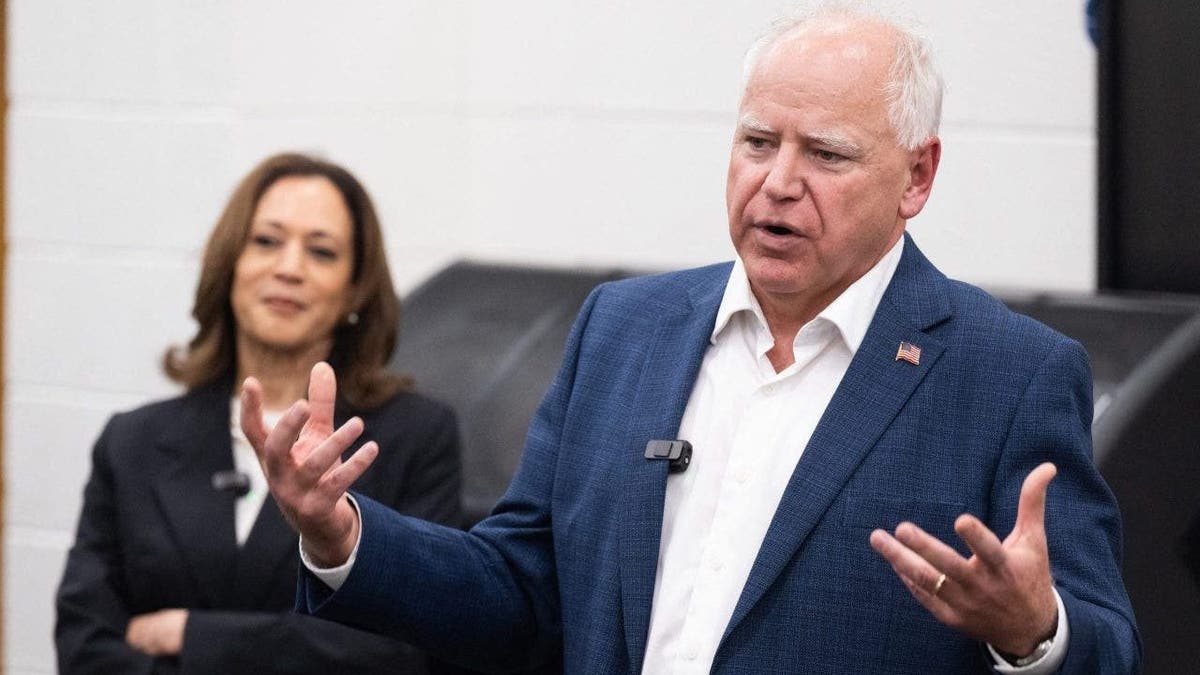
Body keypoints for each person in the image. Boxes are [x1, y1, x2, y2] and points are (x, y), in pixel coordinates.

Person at [245, 5, 1140, 674]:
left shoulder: (1010, 374)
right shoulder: (623, 331)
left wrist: (1035, 631)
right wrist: (341, 533)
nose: (778, 183)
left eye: (825, 155)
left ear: (917, 175)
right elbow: (520, 588)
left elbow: (1110, 645)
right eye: (757, 141)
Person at [55, 152, 462, 674]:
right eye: (266, 241)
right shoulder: (131, 440)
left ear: (355, 290)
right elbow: (84, 646)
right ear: (230, 265)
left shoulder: (414, 436)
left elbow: (403, 652)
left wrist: (191, 634)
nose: (288, 268)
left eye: (321, 252)